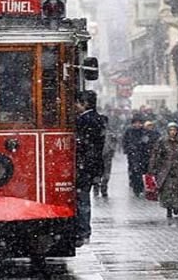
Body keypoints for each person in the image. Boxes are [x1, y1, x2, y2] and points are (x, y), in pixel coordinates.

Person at [74, 91, 106, 247]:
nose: (75, 106)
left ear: (84, 103)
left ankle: (83, 230)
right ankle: (83, 230)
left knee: (82, 200)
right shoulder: (98, 119)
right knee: (83, 198)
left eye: (78, 103)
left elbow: (87, 145)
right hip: (91, 165)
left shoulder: (85, 120)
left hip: (84, 166)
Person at [149, 122, 178, 218]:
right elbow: (156, 155)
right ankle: (168, 208)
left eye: (174, 130)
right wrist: (155, 167)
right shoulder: (162, 142)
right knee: (167, 190)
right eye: (171, 130)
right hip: (166, 170)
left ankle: (177, 206)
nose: (173, 132)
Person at [122, 116, 146, 196]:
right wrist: (128, 149)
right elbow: (125, 141)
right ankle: (136, 187)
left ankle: (140, 186)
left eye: (139, 123)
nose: (137, 125)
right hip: (132, 154)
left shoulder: (144, 131)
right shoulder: (129, 131)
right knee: (134, 170)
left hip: (142, 154)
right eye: (136, 123)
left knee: (141, 171)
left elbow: (147, 142)